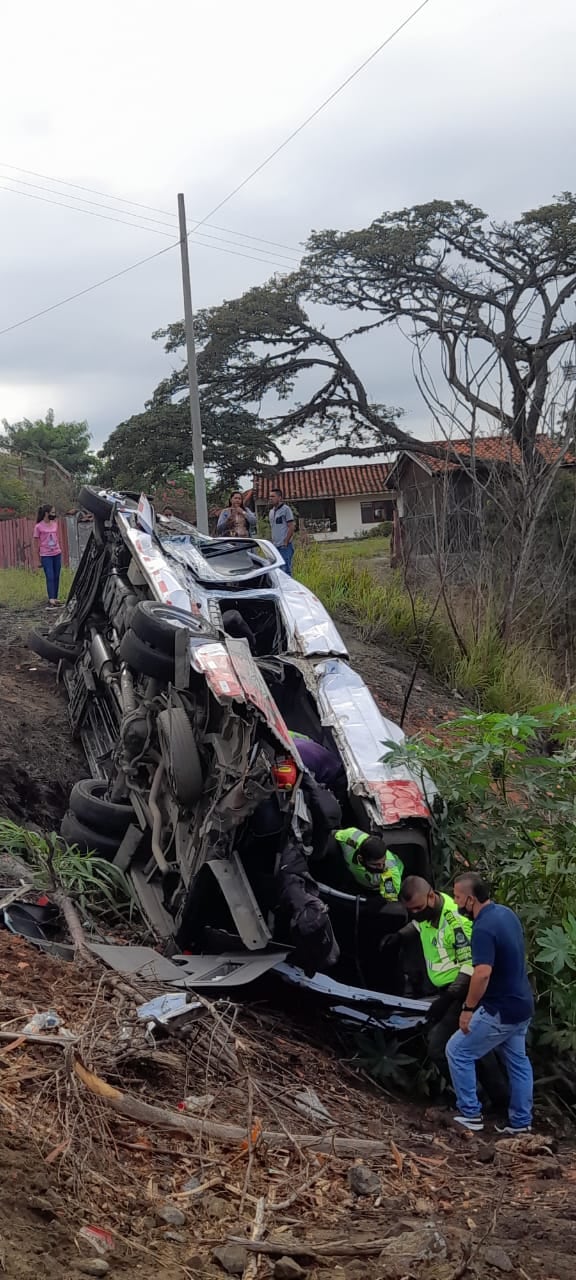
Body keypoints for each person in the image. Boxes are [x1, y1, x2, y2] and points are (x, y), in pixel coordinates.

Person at [397, 877, 508, 1110]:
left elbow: (471, 965)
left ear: (431, 896)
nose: (415, 914)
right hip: (446, 991)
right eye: (410, 911)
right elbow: (418, 925)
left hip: (463, 992)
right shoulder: (427, 914)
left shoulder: (454, 921)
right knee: (476, 1048)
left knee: (440, 1046)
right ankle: (493, 1098)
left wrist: (448, 999)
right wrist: (400, 936)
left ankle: (479, 1098)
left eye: (417, 908)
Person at [446, 873, 534, 1134]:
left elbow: (482, 973)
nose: (455, 901)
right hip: (522, 1003)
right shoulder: (506, 914)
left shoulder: (483, 928)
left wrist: (468, 1009)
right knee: (518, 1062)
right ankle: (521, 1122)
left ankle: (470, 1113)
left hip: (500, 1009)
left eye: (458, 897)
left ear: (470, 899)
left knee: (457, 1051)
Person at [334, 828, 404, 901]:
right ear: (360, 858)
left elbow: (390, 897)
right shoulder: (349, 837)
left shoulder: (389, 871)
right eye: (376, 864)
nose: (381, 867)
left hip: (376, 888)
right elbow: (334, 833)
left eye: (383, 862)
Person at [289, 732, 347, 804]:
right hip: (335, 766)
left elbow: (310, 783)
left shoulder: (295, 757)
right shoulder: (293, 741)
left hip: (334, 776)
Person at [33, 504, 62, 607]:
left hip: (57, 553)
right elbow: (36, 544)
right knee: (50, 576)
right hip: (46, 555)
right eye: (52, 512)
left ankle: (55, 597)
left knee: (57, 575)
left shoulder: (55, 524)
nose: (54, 514)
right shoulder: (38, 527)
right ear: (46, 513)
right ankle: (51, 598)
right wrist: (37, 559)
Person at [268, 487, 295, 575]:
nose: (271, 498)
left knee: (285, 569)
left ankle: (288, 588)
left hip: (284, 546)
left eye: (273, 496)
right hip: (275, 546)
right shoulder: (271, 512)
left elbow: (291, 526)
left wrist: (286, 541)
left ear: (279, 498)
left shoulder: (286, 509)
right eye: (270, 496)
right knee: (277, 570)